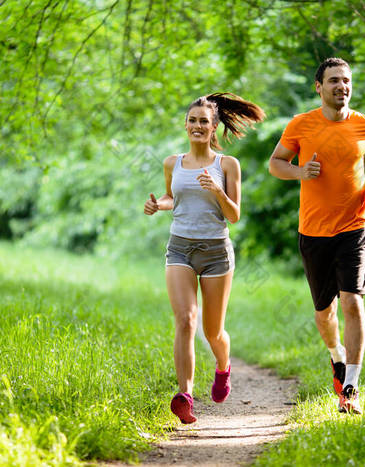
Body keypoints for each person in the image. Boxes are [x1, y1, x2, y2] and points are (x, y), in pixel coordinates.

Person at [268, 57, 365, 414]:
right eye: (334, 80)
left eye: (347, 80)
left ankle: (350, 386)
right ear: (319, 87)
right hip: (314, 232)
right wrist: (301, 171)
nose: (342, 86)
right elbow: (276, 163)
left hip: (353, 228)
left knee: (352, 301)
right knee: (325, 313)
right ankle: (336, 357)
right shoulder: (301, 124)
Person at [144, 93, 264, 424]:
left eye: (204, 122)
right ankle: (185, 395)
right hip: (180, 247)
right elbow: (172, 196)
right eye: (193, 120)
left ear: (214, 128)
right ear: (186, 125)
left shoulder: (227, 165)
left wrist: (217, 190)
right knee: (185, 320)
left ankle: (223, 367)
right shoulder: (172, 162)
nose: (198, 126)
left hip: (215, 253)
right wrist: (159, 205)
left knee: (213, 333)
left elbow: (235, 214)